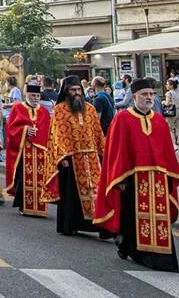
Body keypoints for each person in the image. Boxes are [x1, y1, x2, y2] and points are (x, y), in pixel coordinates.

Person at [94, 78, 179, 271]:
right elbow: (116, 151)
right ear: (134, 97)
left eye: (152, 94)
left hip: (158, 178)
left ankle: (161, 256)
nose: (149, 98)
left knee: (160, 219)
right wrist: (120, 179)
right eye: (145, 94)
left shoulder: (158, 120)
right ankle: (133, 249)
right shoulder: (122, 118)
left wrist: (169, 176)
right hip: (132, 178)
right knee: (131, 216)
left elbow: (166, 151)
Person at [43, 76, 108, 238]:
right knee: (72, 195)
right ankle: (70, 225)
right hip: (71, 158)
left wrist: (104, 153)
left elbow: (98, 132)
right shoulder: (59, 110)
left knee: (96, 192)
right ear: (66, 91)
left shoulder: (90, 109)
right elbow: (57, 134)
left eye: (78, 90)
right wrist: (63, 156)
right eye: (73, 90)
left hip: (92, 158)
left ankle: (98, 224)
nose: (76, 93)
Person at [5, 82, 51, 217]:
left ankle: (40, 205)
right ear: (27, 94)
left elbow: (47, 130)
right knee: (23, 178)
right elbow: (11, 129)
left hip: (40, 151)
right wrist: (25, 130)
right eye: (33, 95)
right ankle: (23, 204)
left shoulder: (43, 111)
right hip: (23, 150)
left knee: (40, 179)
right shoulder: (17, 108)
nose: (36, 98)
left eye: (37, 95)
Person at [161, 77, 179, 147]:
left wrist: (163, 102)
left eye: (167, 84)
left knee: (170, 128)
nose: (166, 86)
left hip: (172, 111)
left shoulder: (169, 93)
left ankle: (173, 144)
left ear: (171, 85)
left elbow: (167, 103)